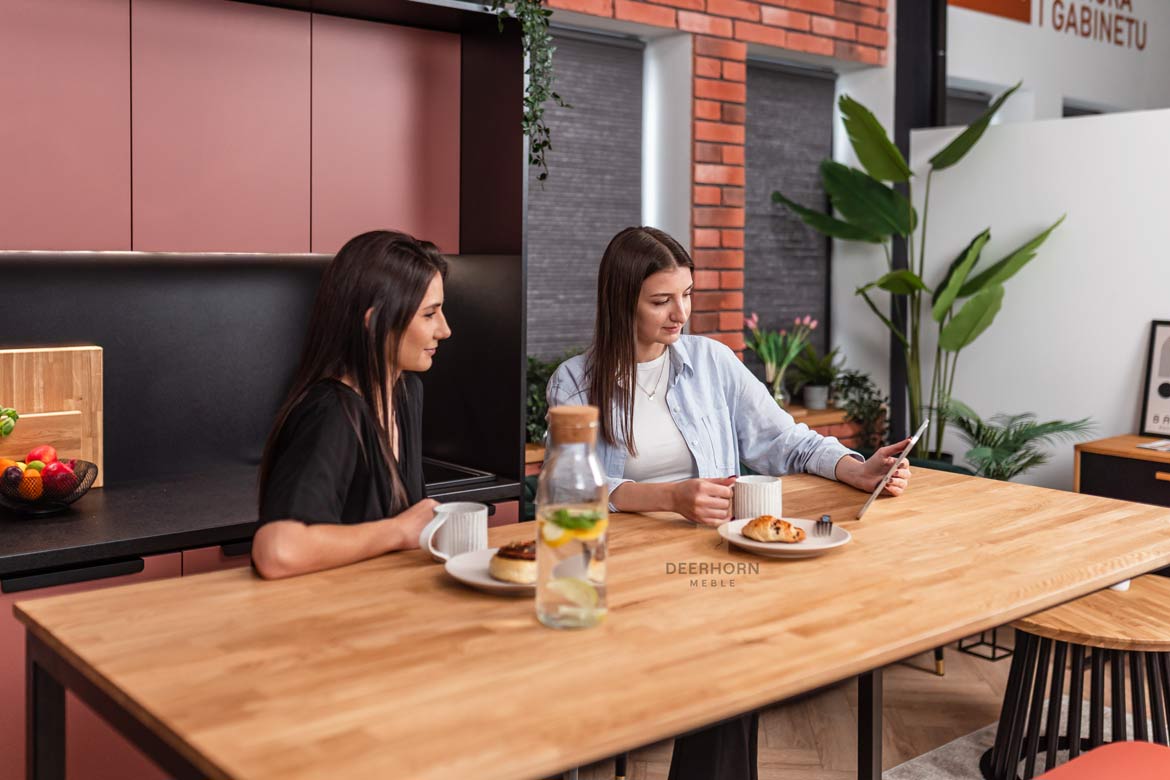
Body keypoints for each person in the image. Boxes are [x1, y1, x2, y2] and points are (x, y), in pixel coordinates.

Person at [547, 225, 913, 780]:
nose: (680, 314)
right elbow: (578, 492)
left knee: (734, 675)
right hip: (621, 573)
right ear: (621, 301)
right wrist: (671, 496)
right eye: (662, 300)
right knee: (717, 670)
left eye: (687, 295)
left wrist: (857, 470)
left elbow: (785, 438)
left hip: (712, 563)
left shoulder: (711, 363)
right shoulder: (574, 383)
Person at [251, 230, 451, 580]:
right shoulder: (333, 412)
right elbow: (278, 551)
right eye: (429, 314)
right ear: (375, 323)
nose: (445, 330)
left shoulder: (406, 392)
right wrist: (399, 531)